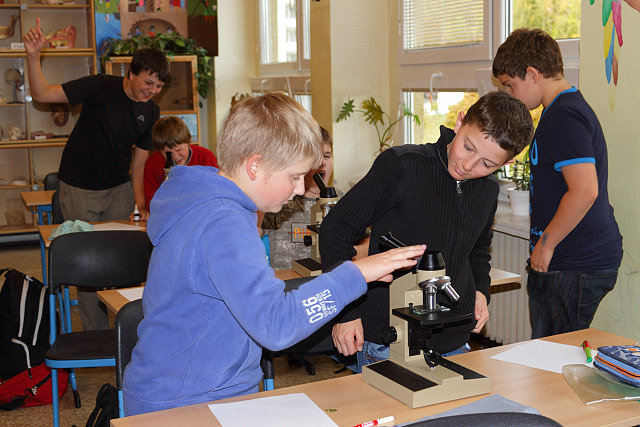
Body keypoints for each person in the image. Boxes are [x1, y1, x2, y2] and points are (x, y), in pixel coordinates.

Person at [122, 92, 426, 415]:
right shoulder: (223, 223)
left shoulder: (209, 202)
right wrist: (358, 273)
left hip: (207, 389)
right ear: (256, 166)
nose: (300, 188)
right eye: (294, 177)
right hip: (186, 401)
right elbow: (276, 325)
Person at [320, 91, 534, 373]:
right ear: (459, 123)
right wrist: (346, 312)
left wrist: (481, 291)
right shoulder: (401, 165)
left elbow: (478, 250)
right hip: (386, 337)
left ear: (505, 164)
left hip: (453, 337)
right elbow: (335, 230)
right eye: (468, 147)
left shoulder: (487, 191)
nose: (468, 165)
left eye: (487, 164)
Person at [23, 18, 170, 331]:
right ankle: (98, 333)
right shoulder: (99, 86)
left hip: (118, 188)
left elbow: (139, 161)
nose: (152, 91)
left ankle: (127, 329)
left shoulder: (151, 111)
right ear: (131, 73)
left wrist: (140, 203)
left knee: (123, 258)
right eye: (148, 82)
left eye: (159, 87)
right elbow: (43, 93)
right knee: (88, 261)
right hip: (79, 185)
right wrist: (33, 56)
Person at [492, 28, 623, 339]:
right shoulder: (560, 111)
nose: (510, 94)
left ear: (533, 74)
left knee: (552, 356)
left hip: (573, 262)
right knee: (554, 351)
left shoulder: (564, 116)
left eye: (510, 85)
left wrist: (546, 245)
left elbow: (585, 190)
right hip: (572, 259)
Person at [261, 126, 334, 270]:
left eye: (327, 156)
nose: (322, 163)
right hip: (288, 281)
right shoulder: (281, 201)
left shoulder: (344, 201)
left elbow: (366, 241)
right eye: (316, 157)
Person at [143, 116, 218, 211]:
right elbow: (150, 202)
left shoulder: (206, 158)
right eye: (168, 153)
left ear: (189, 141)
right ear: (159, 150)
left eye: (179, 150)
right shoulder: (152, 164)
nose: (175, 157)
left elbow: (216, 192)